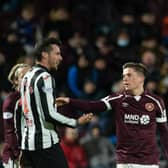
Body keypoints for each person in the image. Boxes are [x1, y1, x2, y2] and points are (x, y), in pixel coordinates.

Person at [56, 62, 168, 168]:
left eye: (129, 75)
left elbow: (164, 131)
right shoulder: (117, 99)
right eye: (124, 76)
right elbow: (92, 106)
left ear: (140, 78)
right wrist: (70, 101)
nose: (124, 79)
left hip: (148, 161)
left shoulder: (156, 102)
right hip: (126, 161)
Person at [19, 37, 93, 168]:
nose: (61, 58)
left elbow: (29, 107)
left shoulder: (27, 76)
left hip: (28, 143)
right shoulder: (45, 77)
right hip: (45, 143)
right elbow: (48, 115)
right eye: (57, 53)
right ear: (44, 54)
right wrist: (75, 122)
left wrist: (51, 103)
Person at [2, 63, 30, 168]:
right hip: (14, 155)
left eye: (30, 75)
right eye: (23, 76)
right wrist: (18, 154)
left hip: (32, 151)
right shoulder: (10, 101)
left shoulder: (36, 97)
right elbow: (10, 131)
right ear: (16, 81)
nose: (28, 78)